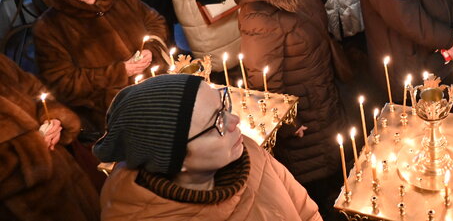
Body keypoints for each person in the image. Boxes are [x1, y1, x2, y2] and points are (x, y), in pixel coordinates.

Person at [94, 74, 322, 221]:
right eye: (217, 122)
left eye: (224, 105)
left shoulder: (246, 151)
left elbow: (304, 210)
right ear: (174, 158)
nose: (234, 121)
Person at [234, 0, 347, 208]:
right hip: (303, 113)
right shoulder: (260, 16)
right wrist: (287, 123)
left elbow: (300, 13)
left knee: (335, 169)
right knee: (318, 188)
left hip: (320, 91)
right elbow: (262, 81)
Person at [33, 0, 167, 134]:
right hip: (116, 111)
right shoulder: (50, 27)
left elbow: (154, 21)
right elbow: (63, 83)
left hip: (160, 87)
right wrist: (120, 72)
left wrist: (150, 48)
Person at [0, 54, 100, 221]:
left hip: (67, 177)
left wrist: (52, 117)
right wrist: (34, 147)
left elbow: (37, 92)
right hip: (24, 207)